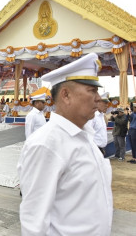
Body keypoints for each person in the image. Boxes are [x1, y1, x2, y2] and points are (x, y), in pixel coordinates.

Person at [17, 53, 113, 235]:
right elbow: (33, 222)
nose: (98, 98)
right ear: (66, 95)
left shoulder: (85, 137)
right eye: (92, 91)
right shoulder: (46, 144)